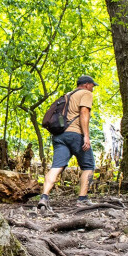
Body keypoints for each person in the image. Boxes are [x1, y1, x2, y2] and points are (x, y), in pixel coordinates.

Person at [37, 75, 97, 210]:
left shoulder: (66, 96)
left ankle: (44, 197)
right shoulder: (86, 93)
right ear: (87, 84)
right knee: (88, 166)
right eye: (93, 85)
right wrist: (86, 136)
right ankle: (82, 199)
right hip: (75, 134)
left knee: (56, 166)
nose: (93, 88)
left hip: (59, 135)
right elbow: (84, 113)